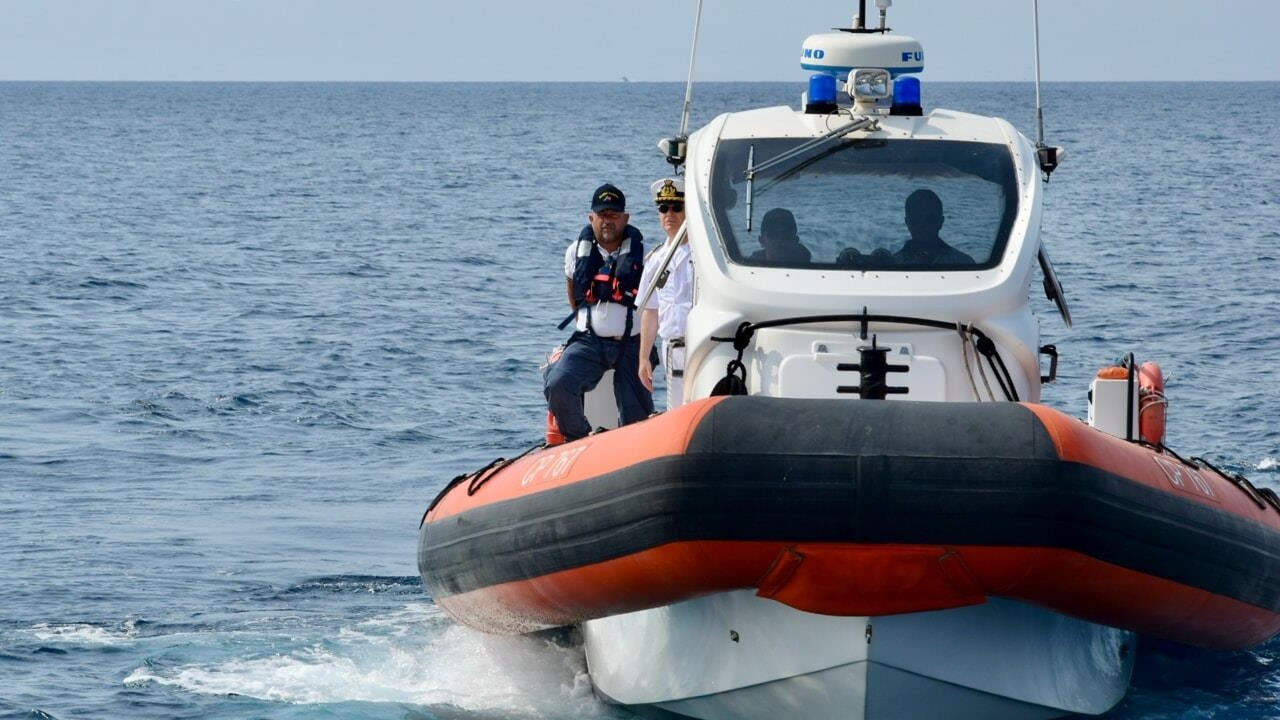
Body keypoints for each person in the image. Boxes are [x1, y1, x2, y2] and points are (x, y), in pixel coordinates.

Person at [544, 184, 654, 441]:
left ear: (625, 219)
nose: (607, 221)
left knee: (636, 416)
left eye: (614, 215)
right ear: (591, 218)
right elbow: (573, 292)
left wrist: (645, 355)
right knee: (558, 383)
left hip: (631, 344)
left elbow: (653, 305)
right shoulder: (575, 252)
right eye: (602, 215)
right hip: (589, 342)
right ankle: (580, 438)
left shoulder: (646, 254)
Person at [638, 178, 693, 410]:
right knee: (676, 410)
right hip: (671, 348)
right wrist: (643, 358)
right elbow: (650, 311)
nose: (669, 214)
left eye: (676, 207)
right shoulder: (655, 260)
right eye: (663, 208)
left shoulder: (703, 254)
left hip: (701, 344)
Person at [894, 188, 975, 265]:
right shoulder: (964, 262)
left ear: (940, 222)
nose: (923, 225)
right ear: (907, 222)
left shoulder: (964, 262)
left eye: (930, 219)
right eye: (916, 219)